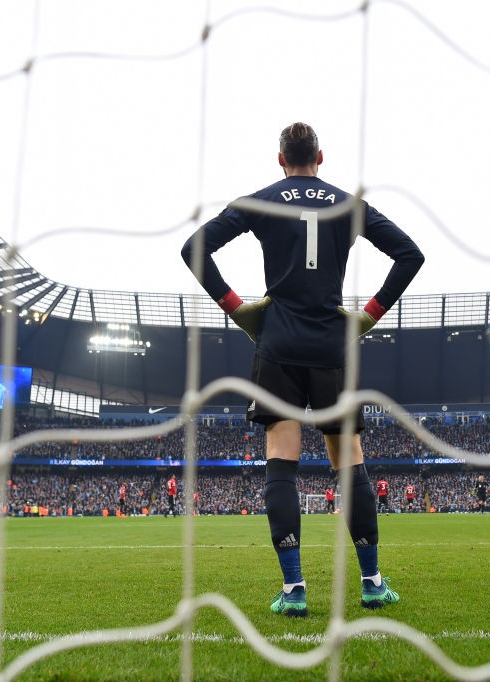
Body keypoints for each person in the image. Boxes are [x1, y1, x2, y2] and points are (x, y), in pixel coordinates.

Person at [182, 122, 424, 617]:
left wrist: (236, 307)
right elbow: (410, 255)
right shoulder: (346, 203)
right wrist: (369, 315)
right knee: (349, 462)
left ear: (280, 158)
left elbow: (193, 248)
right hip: (332, 349)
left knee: (282, 462)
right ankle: (373, 582)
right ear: (321, 156)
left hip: (278, 346)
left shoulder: (261, 200)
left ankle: (295, 589)